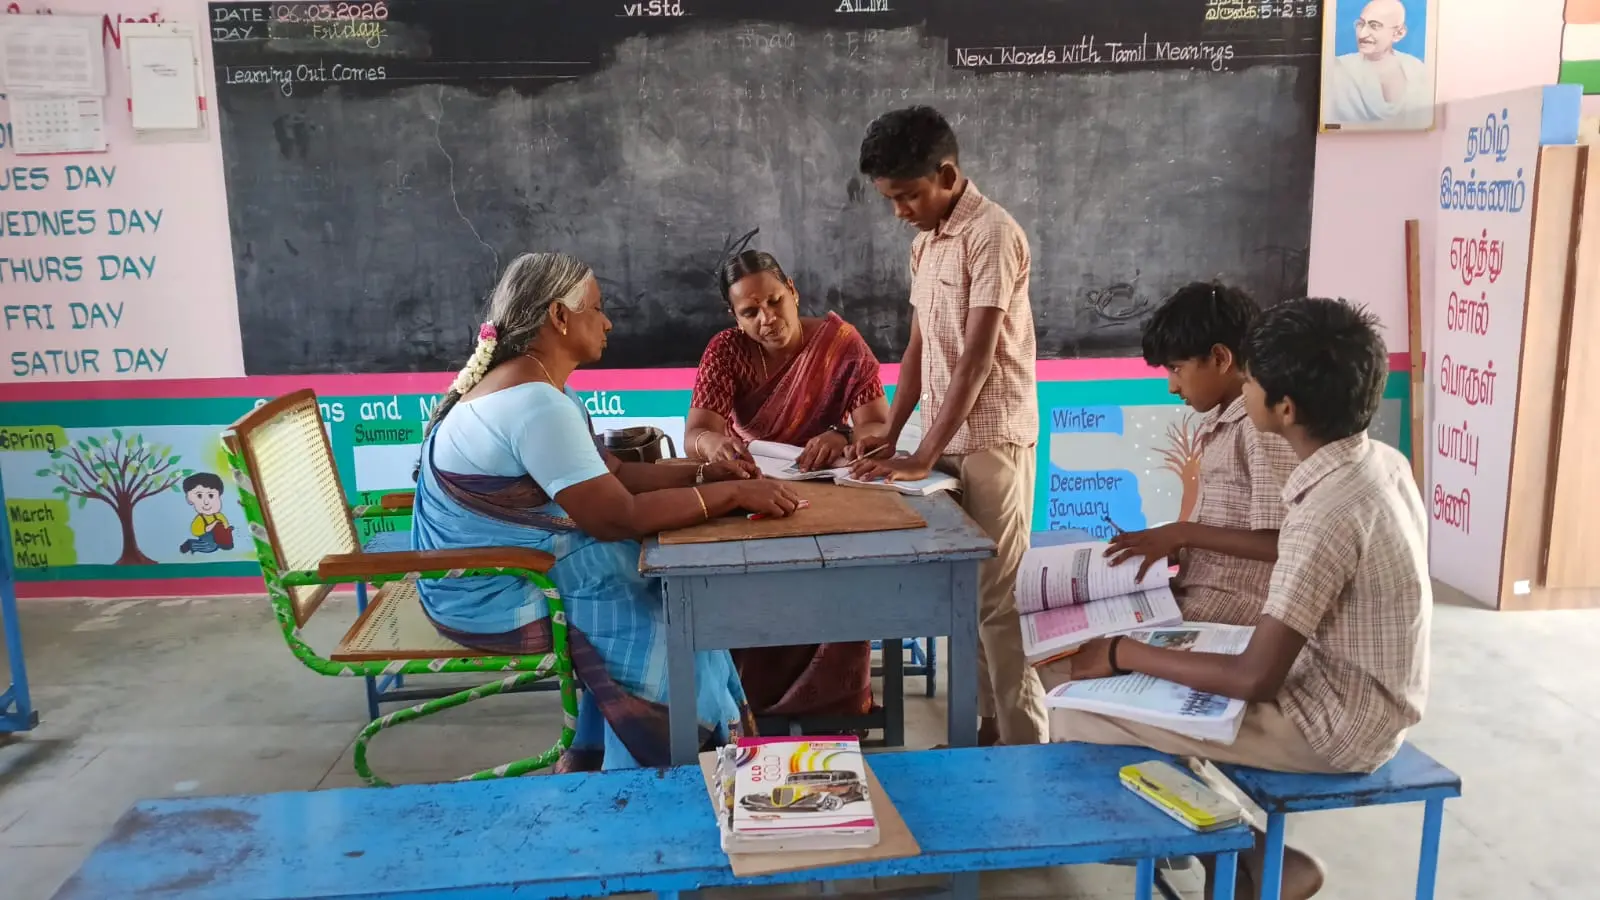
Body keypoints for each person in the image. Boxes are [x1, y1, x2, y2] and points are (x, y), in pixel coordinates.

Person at [1053, 298, 1432, 900]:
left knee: (1076, 712)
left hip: (1335, 724)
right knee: (1123, 684)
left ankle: (1249, 864)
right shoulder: (1380, 462)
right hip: (1354, 691)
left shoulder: (1325, 511)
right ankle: (1244, 862)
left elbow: (1255, 676)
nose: (1243, 389)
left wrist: (1123, 653)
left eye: (1251, 381)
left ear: (1283, 408)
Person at [410, 251, 804, 772]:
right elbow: (614, 516)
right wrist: (731, 497)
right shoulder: (534, 403)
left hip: (489, 572)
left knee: (674, 589)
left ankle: (599, 752)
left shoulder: (533, 386)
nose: (608, 322)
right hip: (489, 591)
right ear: (558, 317)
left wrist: (707, 474)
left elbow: (613, 475)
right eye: (596, 309)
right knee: (663, 608)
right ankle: (656, 769)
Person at [849, 106, 1046, 747]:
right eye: (891, 200)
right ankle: (984, 727)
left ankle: (1025, 745)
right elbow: (917, 353)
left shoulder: (993, 233)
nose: (900, 210)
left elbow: (975, 359)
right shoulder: (924, 244)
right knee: (966, 600)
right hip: (945, 445)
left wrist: (919, 453)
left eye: (908, 195)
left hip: (990, 442)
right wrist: (893, 431)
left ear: (947, 174)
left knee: (999, 602)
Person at [687, 249, 892, 722]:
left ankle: (833, 708)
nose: (768, 319)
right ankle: (749, 710)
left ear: (794, 291)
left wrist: (842, 434)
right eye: (750, 312)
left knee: (838, 576)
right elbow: (697, 431)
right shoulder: (726, 351)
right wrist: (715, 447)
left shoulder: (841, 344)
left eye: (775, 302)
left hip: (829, 493)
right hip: (754, 489)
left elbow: (877, 427)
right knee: (745, 584)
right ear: (734, 318)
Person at [1098, 282, 1298, 626]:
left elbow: (1287, 542)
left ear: (1220, 358)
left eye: (1176, 369)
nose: (1172, 386)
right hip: (1196, 593)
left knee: (1085, 651)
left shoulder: (1259, 427)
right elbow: (1227, 527)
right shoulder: (1222, 424)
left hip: (1234, 611)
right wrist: (1169, 544)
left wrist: (1183, 533)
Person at [1323, 0, 1432, 126]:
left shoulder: (1415, 69)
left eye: (1374, 26)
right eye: (1360, 24)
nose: (1362, 34)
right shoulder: (1339, 69)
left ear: (1399, 33)